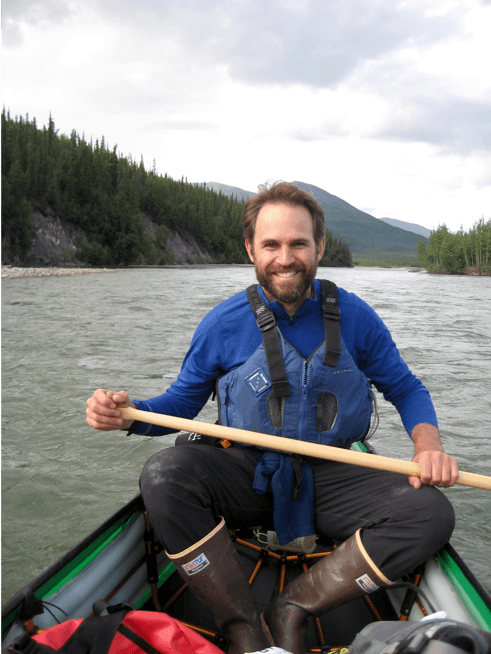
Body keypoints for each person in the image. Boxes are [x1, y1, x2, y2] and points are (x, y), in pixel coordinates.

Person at [87, 182, 459, 654]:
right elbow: (181, 405)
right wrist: (127, 415)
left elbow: (406, 388)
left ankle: (293, 608)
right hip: (249, 476)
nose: (286, 257)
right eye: (272, 245)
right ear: (251, 250)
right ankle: (245, 629)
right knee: (164, 476)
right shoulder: (223, 323)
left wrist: (428, 446)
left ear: (319, 247)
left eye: (298, 243)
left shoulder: (357, 317)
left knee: (429, 512)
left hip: (332, 474)